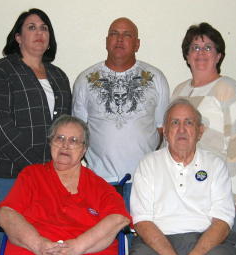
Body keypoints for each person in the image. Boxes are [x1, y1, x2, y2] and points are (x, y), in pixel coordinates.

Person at [0, 8, 72, 255]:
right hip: (1, 174)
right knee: (3, 244)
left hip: (45, 179)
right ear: (18, 37)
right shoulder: (1, 70)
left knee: (39, 246)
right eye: (31, 27)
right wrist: (36, 168)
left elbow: (66, 129)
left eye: (44, 27)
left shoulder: (58, 75)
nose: (39, 33)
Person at [0, 115, 131, 255]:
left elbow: (118, 218)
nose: (65, 145)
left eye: (74, 140)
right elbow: (6, 214)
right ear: (51, 143)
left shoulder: (98, 185)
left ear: (84, 149)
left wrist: (77, 247)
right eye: (59, 138)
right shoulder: (31, 176)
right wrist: (39, 245)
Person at [125, 98, 236, 255]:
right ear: (166, 131)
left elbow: (222, 222)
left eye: (188, 122)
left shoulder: (215, 165)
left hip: (206, 243)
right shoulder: (149, 164)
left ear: (200, 131)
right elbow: (142, 221)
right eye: (175, 122)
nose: (181, 129)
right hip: (157, 244)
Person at [171, 22, 236, 255]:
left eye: (208, 47)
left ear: (219, 55)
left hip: (224, 196)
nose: (201, 52)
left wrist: (235, 198)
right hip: (187, 198)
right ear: (187, 55)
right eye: (195, 47)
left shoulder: (229, 89)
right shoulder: (179, 92)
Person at [72, 17, 169, 208]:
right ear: (106, 41)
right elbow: (78, 132)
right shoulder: (85, 79)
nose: (119, 39)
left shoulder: (155, 78)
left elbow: (161, 129)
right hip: (99, 181)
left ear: (137, 44)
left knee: (140, 237)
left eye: (127, 35)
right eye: (114, 34)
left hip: (144, 181)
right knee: (103, 238)